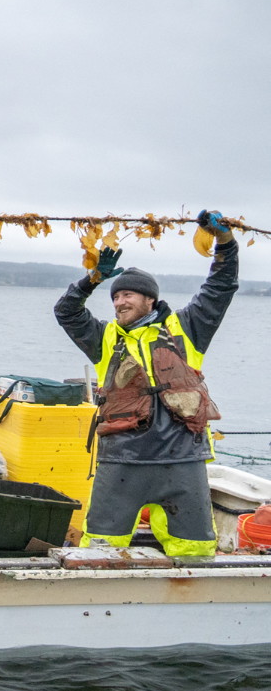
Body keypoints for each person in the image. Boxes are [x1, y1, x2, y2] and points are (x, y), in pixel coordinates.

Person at [54, 210, 238, 557]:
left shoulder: (187, 329)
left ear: (149, 299)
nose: (119, 302)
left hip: (182, 460)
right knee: (101, 550)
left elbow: (220, 288)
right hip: (121, 461)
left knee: (195, 550)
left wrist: (225, 242)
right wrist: (92, 279)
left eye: (128, 295)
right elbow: (66, 311)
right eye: (115, 297)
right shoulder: (105, 338)